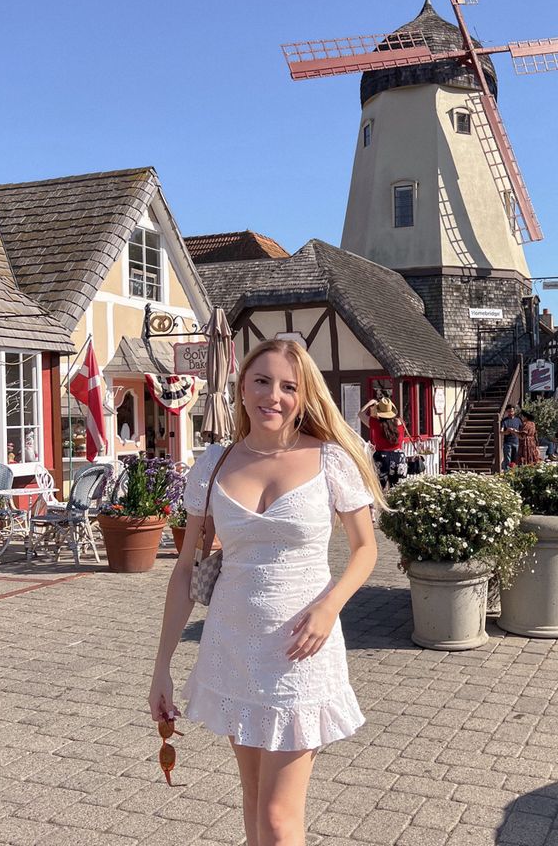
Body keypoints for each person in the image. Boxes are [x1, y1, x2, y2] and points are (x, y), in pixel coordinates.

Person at [148, 338, 382, 846]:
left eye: (288, 386)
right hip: (231, 648)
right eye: (261, 381)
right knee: (254, 806)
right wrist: (163, 667)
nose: (272, 395)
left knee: (278, 820)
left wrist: (329, 606)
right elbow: (185, 571)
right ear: (241, 387)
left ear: (303, 396)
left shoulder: (332, 460)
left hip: (301, 651)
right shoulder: (212, 464)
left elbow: (365, 550)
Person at [358, 395, 407, 490]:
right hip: (398, 457)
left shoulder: (376, 423)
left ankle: (381, 504)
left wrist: (371, 403)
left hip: (381, 456)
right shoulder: (400, 422)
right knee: (397, 489)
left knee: (379, 488)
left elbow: (360, 414)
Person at [500, 404, 521, 470]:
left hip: (516, 442)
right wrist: (507, 432)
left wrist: (515, 431)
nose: (510, 413)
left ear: (514, 411)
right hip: (507, 443)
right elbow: (501, 432)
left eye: (512, 411)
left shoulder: (518, 420)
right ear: (506, 412)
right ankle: (507, 473)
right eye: (509, 411)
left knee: (515, 459)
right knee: (507, 460)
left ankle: (515, 472)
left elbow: (521, 431)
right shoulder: (504, 421)